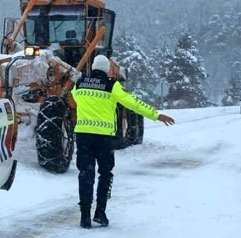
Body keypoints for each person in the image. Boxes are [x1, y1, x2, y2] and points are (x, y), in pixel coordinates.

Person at [70, 55, 175, 228]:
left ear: (93, 67)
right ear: (106, 70)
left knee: (85, 174)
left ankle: (84, 217)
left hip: (83, 136)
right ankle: (100, 213)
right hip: (104, 138)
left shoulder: (79, 84)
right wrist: (156, 115)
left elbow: (74, 97)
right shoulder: (112, 85)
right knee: (105, 174)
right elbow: (132, 103)